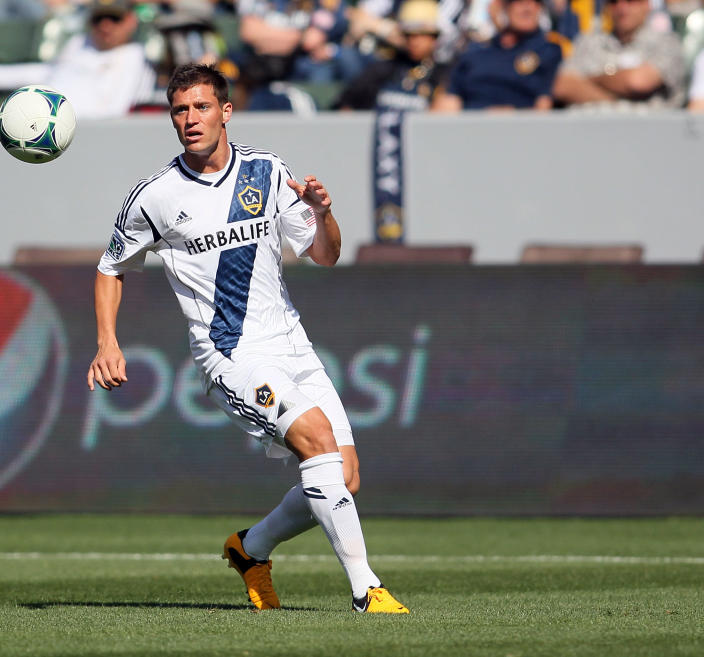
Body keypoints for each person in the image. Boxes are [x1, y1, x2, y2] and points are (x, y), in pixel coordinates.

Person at [86, 63, 409, 614]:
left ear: (226, 111)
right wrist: (106, 343)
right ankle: (367, 591)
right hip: (230, 356)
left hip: (293, 345)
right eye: (180, 110)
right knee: (316, 440)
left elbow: (326, 255)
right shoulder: (154, 197)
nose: (190, 119)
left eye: (202, 107)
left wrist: (323, 213)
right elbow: (110, 268)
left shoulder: (265, 171)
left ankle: (250, 547)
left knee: (344, 479)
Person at [335, 0, 448, 243]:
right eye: (409, 34)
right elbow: (345, 106)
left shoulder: (445, 74)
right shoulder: (383, 70)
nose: (415, 40)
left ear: (435, 37)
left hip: (425, 168)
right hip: (380, 168)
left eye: (423, 34)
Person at [0, 0, 156, 119]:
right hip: (44, 131)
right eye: (98, 19)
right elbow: (49, 74)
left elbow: (114, 113)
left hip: (82, 138)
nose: (105, 26)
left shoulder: (135, 57)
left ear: (130, 21)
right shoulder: (79, 43)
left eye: (114, 19)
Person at [431, 0, 563, 111]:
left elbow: (543, 108)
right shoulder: (475, 52)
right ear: (501, 6)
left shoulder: (549, 52)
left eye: (535, 2)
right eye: (519, 2)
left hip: (519, 132)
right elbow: (449, 101)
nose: (528, 8)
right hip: (469, 130)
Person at [552, 0, 685, 109]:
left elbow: (638, 82)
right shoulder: (589, 41)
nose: (622, 7)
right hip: (589, 132)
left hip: (649, 134)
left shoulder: (666, 43)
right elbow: (563, 86)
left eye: (630, 1)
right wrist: (617, 103)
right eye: (614, 2)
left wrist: (591, 80)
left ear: (646, 5)